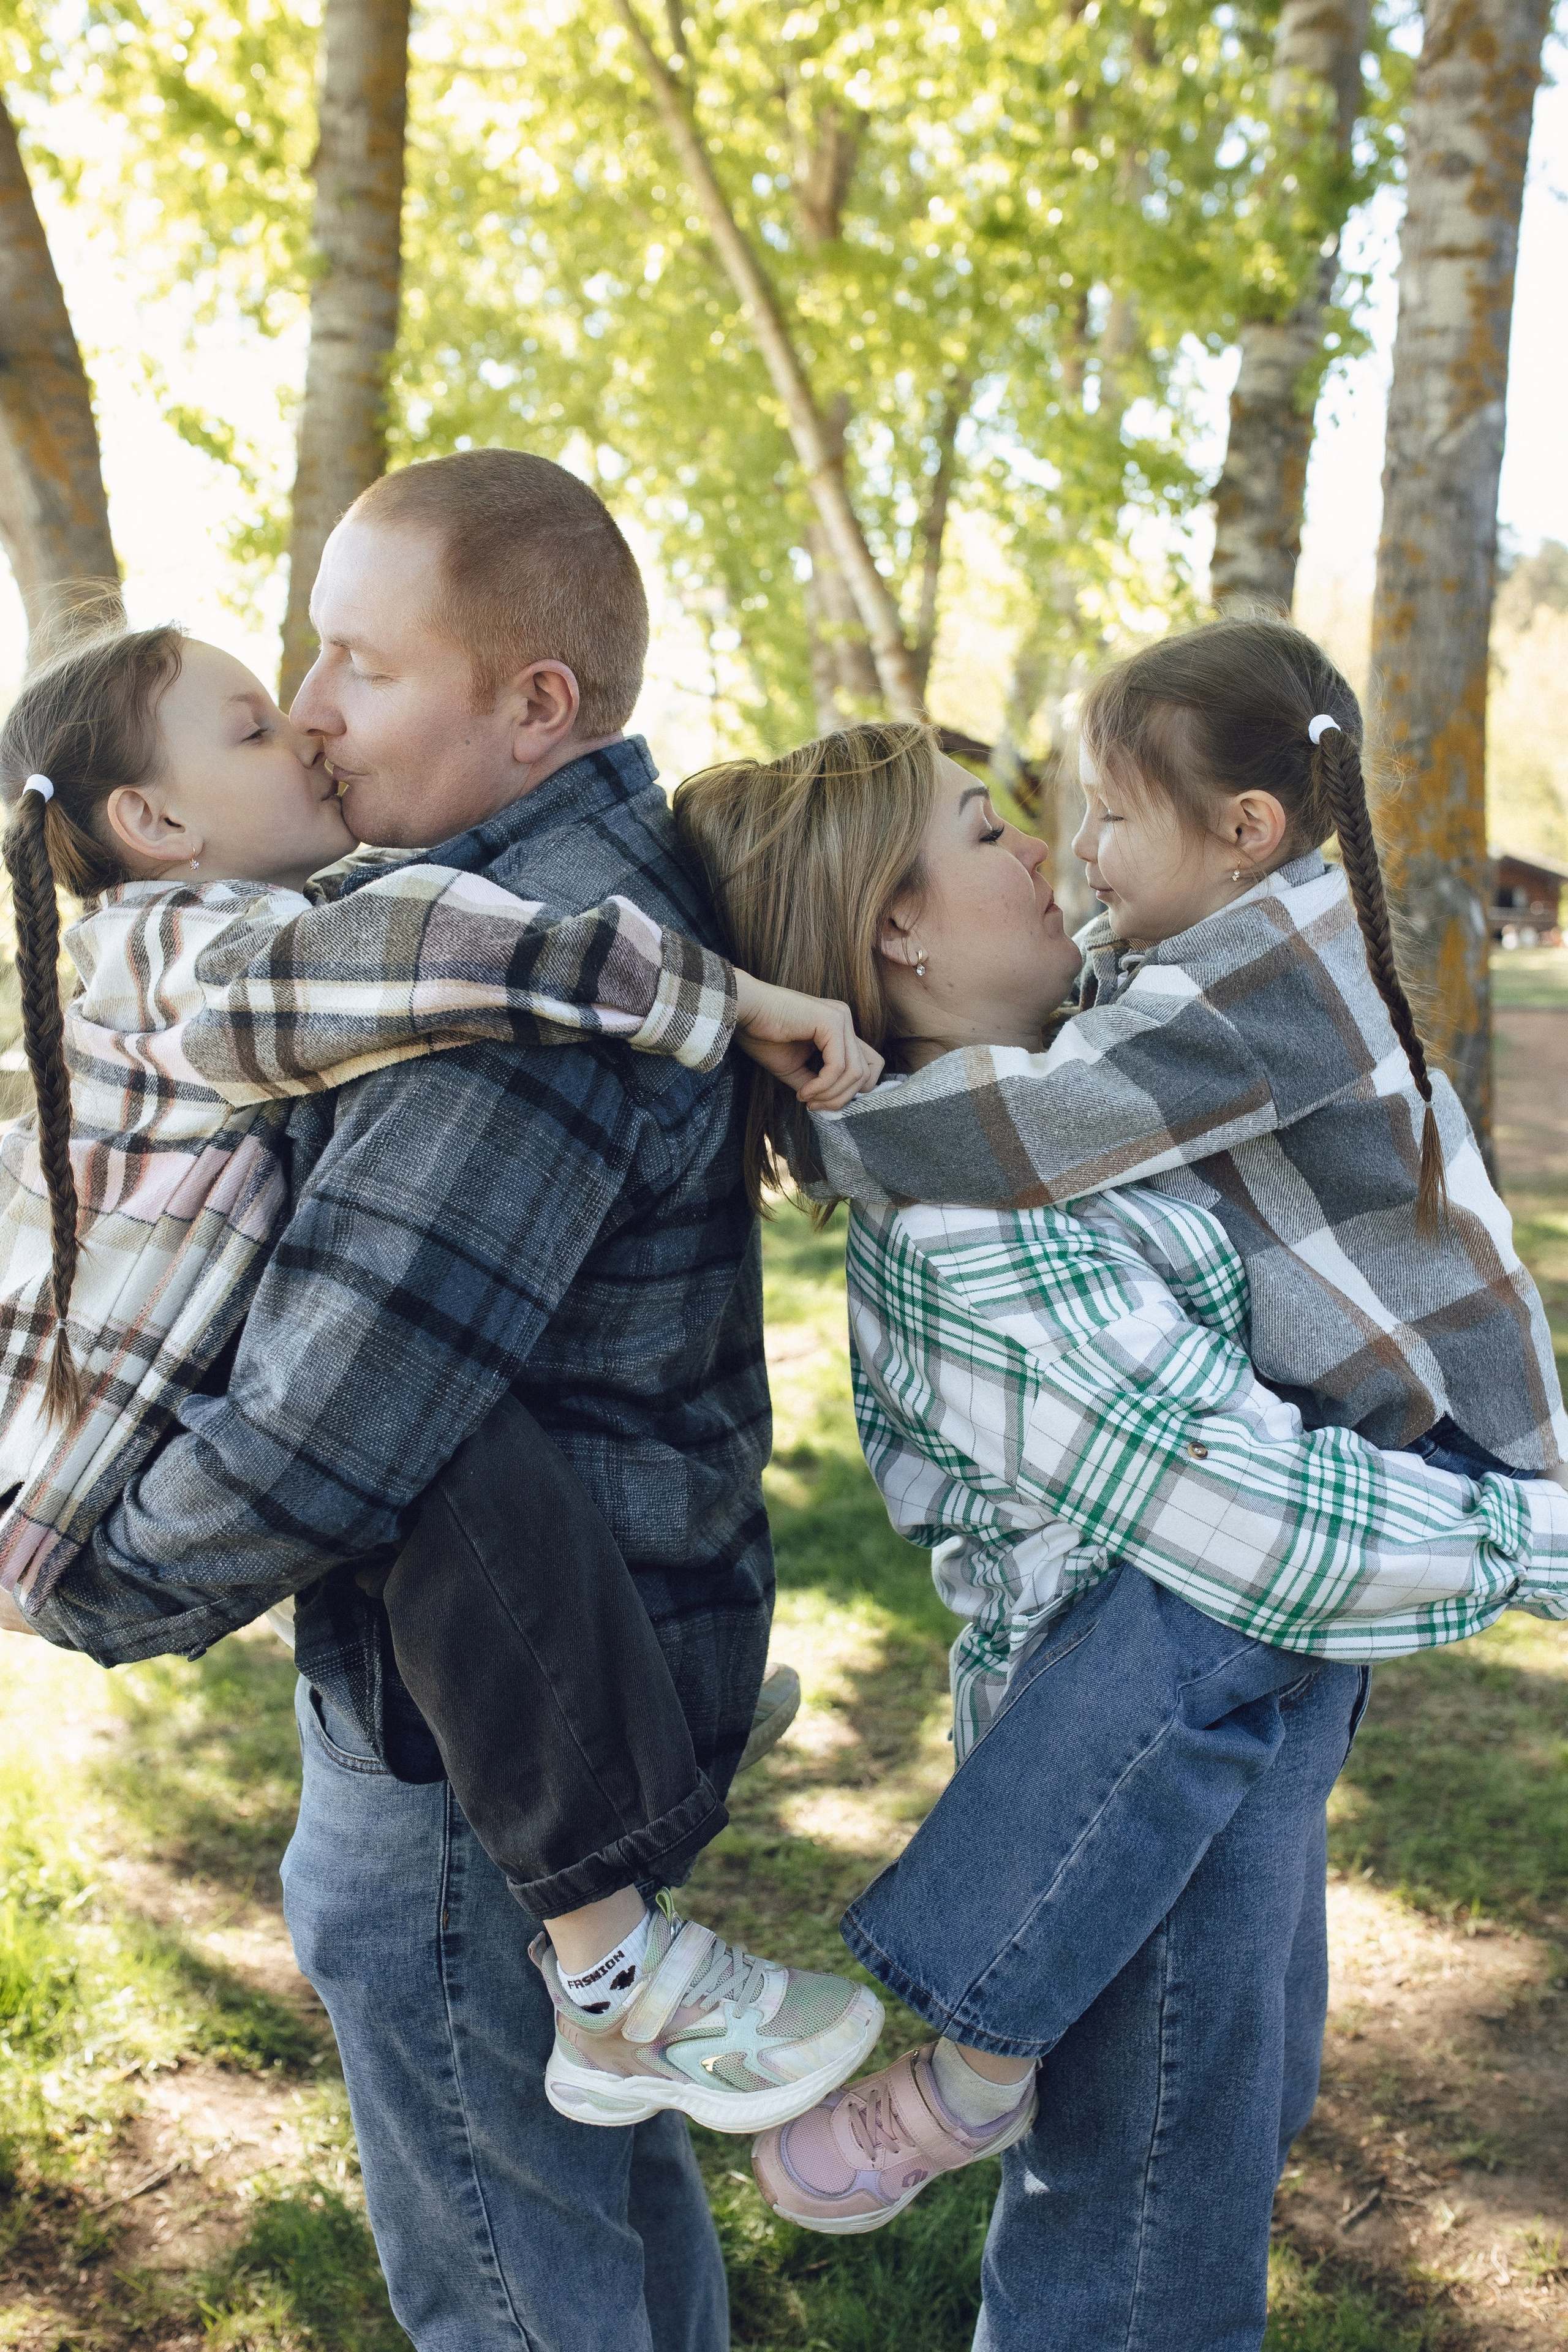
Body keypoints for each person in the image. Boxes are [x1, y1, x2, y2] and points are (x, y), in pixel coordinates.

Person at [9, 447, 855, 2351]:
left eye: (355, 667)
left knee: (513, 2283)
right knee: (606, 2201)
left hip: (473, 1754)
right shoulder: (519, 918)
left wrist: (93, 1585)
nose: (312, 718)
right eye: (294, 670)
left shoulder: (499, 1000)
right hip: (575, 1691)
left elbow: (333, 1418)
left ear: (532, 705)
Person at [670, 709, 1568, 2348]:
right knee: (1142, 2269)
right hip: (1137, 1800)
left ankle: (981, 2076)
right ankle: (969, 2069)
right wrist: (1535, 1540)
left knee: (1216, 2152)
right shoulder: (962, 1225)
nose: (1044, 851)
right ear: (899, 926)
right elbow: (1257, 1525)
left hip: (1242, 1743)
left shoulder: (1070, 1111)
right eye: (984, 829)